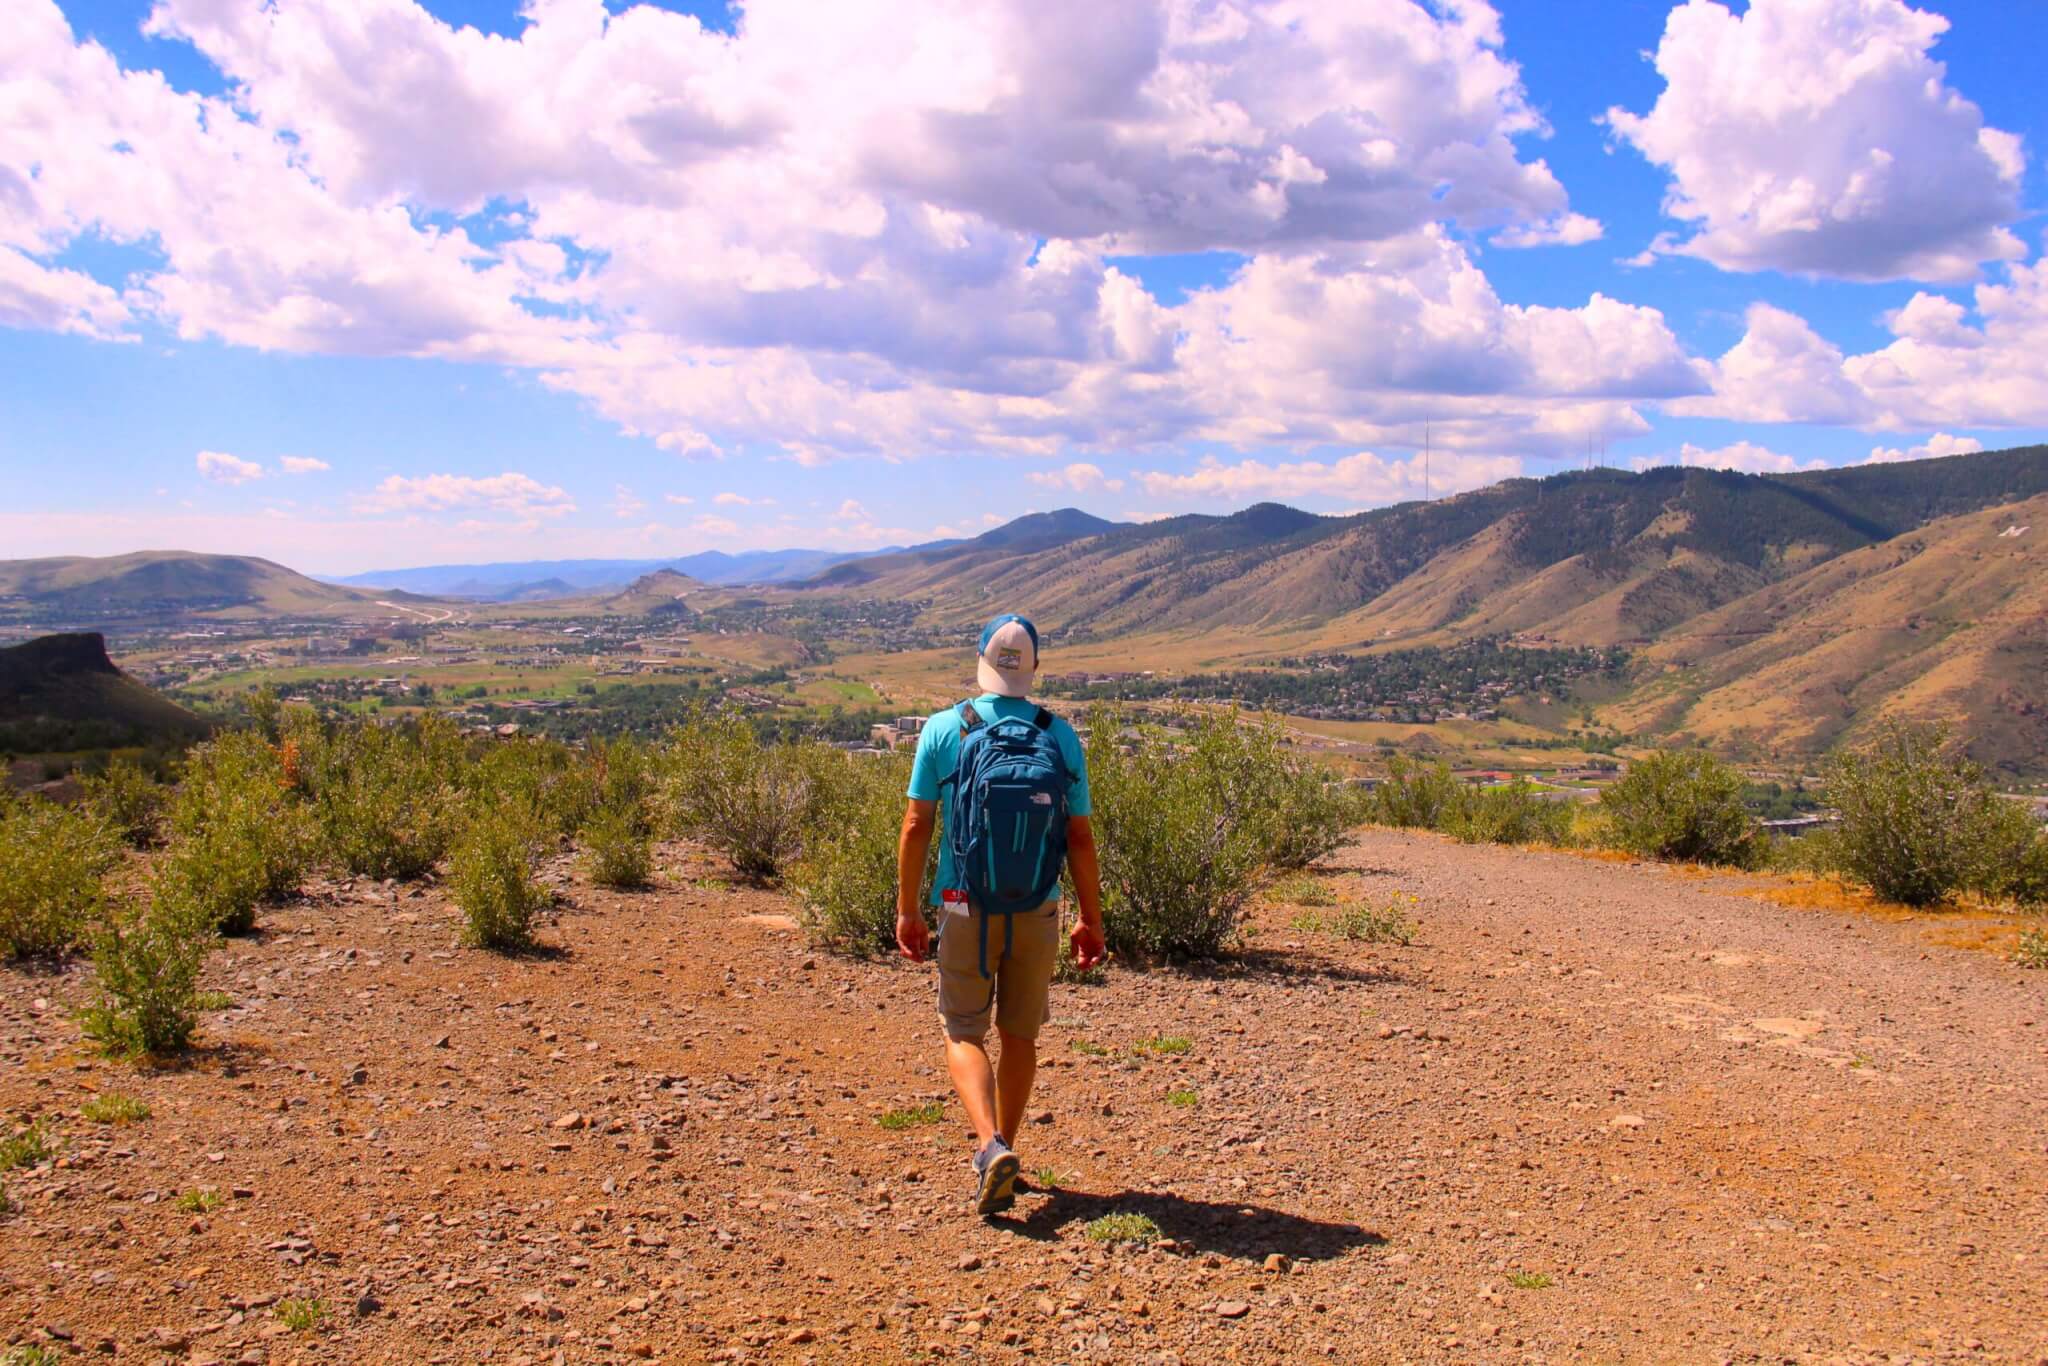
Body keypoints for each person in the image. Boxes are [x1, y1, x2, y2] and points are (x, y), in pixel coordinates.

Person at [895, 613, 1106, 1216]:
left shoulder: (945, 729)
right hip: (1037, 904)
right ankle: (1007, 1145)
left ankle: (989, 1145)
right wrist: (1091, 918)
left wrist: (909, 908)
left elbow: (916, 825)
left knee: (963, 1029)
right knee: (1020, 1033)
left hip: (964, 903)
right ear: (1033, 667)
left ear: (982, 661)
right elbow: (1080, 839)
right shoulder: (1059, 736)